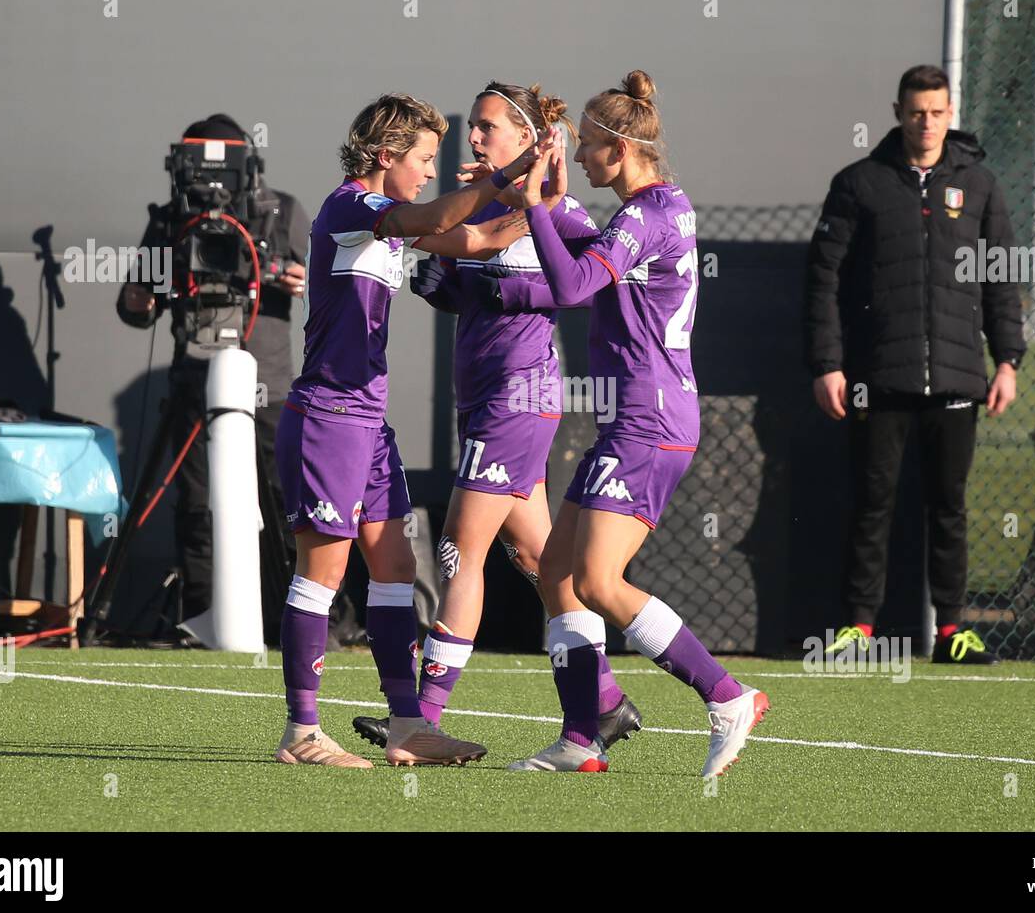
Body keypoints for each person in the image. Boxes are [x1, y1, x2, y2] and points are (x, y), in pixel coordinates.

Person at [350, 82, 643, 762]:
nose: (474, 139)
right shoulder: (504, 201)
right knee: (542, 560)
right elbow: (469, 259)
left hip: (520, 394)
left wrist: (492, 276)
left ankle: (419, 721)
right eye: (475, 127)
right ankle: (605, 700)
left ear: (525, 138)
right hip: (483, 394)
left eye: (486, 127)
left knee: (459, 547)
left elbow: (592, 277)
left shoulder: (553, 208)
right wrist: (446, 283)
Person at [273, 93, 552, 767]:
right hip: (328, 417)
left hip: (366, 423)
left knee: (397, 567)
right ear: (385, 156)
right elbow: (433, 214)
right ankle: (302, 734)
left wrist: (540, 201)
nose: (431, 169)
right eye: (424, 157)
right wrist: (496, 180)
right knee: (326, 568)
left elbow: (478, 238)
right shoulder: (351, 208)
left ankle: (407, 727)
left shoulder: (387, 222)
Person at [504, 71, 769, 776]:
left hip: (648, 425)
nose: (583, 157)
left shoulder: (643, 216)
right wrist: (552, 204)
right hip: (641, 419)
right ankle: (583, 738)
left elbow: (571, 286)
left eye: (590, 146)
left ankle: (727, 696)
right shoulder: (661, 205)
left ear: (621, 150)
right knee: (553, 569)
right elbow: (595, 255)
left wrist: (534, 207)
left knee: (595, 581)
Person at [804, 64, 1025, 665]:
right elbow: (823, 277)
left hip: (958, 377)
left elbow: (1001, 278)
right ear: (899, 113)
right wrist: (828, 363)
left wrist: (1007, 359)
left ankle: (952, 633)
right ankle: (859, 630)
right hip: (878, 377)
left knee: (949, 506)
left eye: (937, 112)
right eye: (916, 112)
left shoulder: (979, 185)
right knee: (872, 502)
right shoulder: (859, 183)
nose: (926, 123)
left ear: (951, 114)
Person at [116, 113, 309, 641]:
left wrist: (298, 279)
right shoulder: (171, 220)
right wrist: (139, 299)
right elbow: (137, 306)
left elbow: (315, 282)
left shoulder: (281, 210)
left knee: (284, 499)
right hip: (194, 380)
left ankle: (300, 620)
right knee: (197, 504)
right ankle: (201, 618)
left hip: (265, 382)